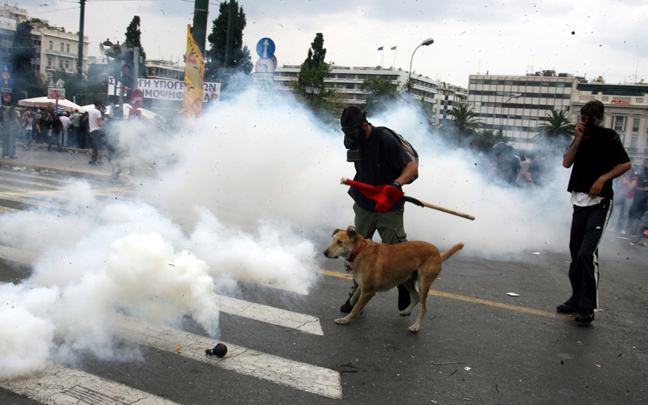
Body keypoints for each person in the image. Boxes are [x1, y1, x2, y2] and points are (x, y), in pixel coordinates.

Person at [339, 106, 418, 313]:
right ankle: (356, 295)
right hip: (365, 204)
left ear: (364, 125)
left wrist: (397, 184)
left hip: (389, 205)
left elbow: (411, 168)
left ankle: (404, 285)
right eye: (346, 133)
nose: (350, 138)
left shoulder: (384, 138)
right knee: (357, 253)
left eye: (353, 132)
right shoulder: (353, 139)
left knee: (398, 250)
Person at [558, 100, 631, 324]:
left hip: (599, 203)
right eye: (583, 117)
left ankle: (588, 306)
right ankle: (576, 298)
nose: (586, 121)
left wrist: (602, 178)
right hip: (579, 201)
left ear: (599, 118)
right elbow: (566, 162)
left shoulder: (608, 136)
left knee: (587, 254)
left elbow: (625, 164)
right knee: (575, 252)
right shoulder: (580, 136)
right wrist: (579, 137)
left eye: (590, 118)